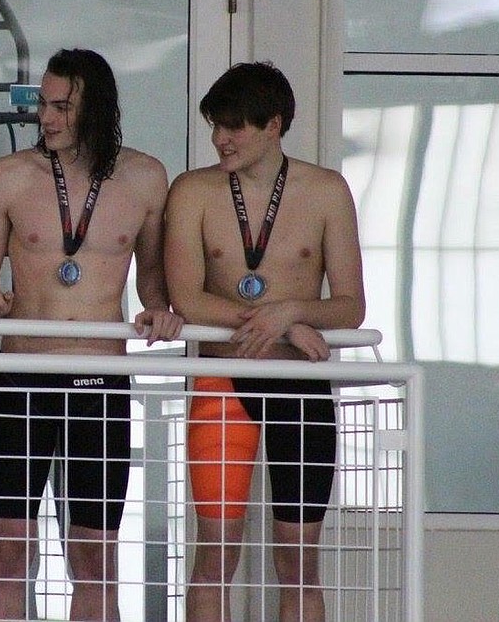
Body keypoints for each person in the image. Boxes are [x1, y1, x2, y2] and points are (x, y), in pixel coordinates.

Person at [0, 48, 183, 622]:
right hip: (22, 379)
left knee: (95, 557)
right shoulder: (9, 176)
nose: (47, 118)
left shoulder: (145, 177)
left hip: (99, 382)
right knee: (8, 551)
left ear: (97, 108)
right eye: (44, 104)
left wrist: (159, 312)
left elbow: (152, 278)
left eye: (62, 106)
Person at [164, 62, 365, 622]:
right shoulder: (194, 191)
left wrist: (292, 313)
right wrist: (277, 323)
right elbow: (187, 298)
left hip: (301, 387)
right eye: (215, 126)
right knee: (215, 555)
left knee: (299, 559)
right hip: (222, 381)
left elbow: (351, 306)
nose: (219, 140)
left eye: (234, 127)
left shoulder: (326, 191)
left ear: (274, 125)